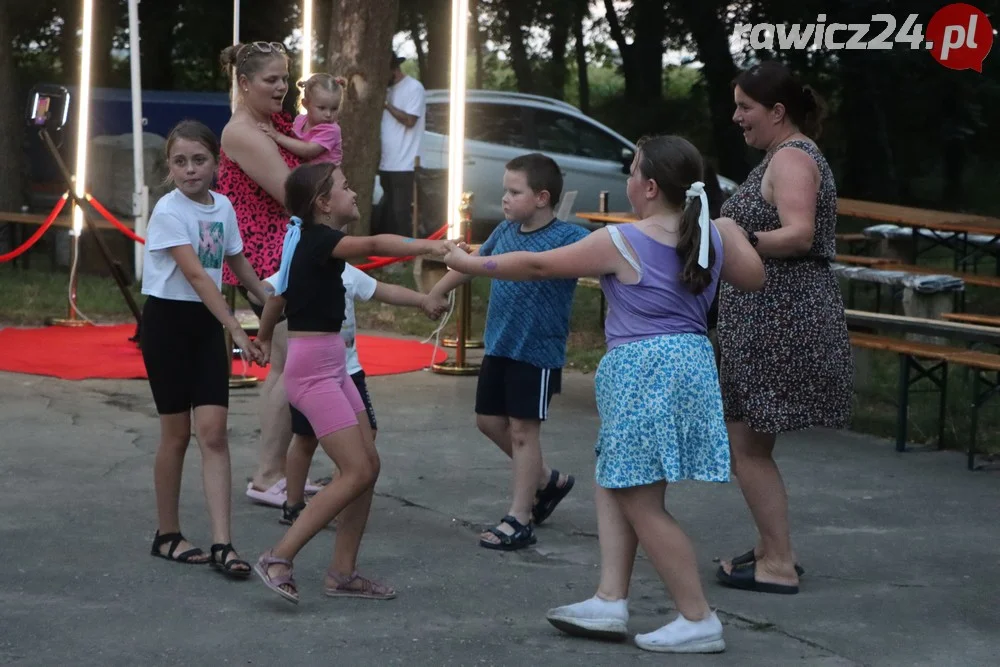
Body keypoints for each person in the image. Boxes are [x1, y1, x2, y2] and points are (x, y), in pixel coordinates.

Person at [440, 135, 766, 653]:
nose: (628, 181)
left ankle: (698, 616)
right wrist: (722, 227)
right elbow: (755, 276)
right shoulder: (708, 237)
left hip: (644, 371)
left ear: (651, 186)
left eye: (633, 172)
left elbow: (539, 264)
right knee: (616, 482)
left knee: (642, 500)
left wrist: (469, 262)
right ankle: (610, 599)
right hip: (687, 364)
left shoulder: (625, 241)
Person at [251, 162, 453, 604]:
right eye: (344, 186)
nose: (354, 192)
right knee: (356, 469)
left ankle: (342, 572)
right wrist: (435, 249)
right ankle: (278, 557)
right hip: (313, 371)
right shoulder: (321, 240)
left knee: (369, 467)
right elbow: (378, 243)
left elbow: (278, 298)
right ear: (324, 203)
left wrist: (264, 337)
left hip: (333, 367)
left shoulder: (311, 244)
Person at [715, 61, 854, 595]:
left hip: (782, 319)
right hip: (769, 316)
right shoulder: (783, 154)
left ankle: (778, 562)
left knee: (746, 445)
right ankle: (771, 549)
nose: (736, 117)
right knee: (752, 443)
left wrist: (732, 239)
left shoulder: (793, 156)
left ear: (777, 111)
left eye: (745, 107)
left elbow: (797, 235)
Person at [427, 153, 586, 551]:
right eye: (505, 191)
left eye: (514, 192)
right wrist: (437, 290)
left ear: (542, 197)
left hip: (537, 351)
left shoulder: (570, 238)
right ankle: (547, 480)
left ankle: (520, 518)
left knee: (522, 431)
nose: (505, 199)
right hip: (500, 343)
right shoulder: (506, 228)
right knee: (487, 420)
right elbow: (474, 264)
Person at [140, 120, 271, 578]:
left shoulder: (224, 207)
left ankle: (223, 544)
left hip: (205, 325)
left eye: (199, 160)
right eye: (180, 162)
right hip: (168, 325)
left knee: (214, 433)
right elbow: (197, 275)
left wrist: (268, 298)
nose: (190, 170)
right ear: (169, 167)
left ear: (216, 163)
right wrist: (236, 326)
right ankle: (168, 534)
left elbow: (235, 261)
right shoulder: (168, 212)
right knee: (175, 435)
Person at [217, 41, 319, 507]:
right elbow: (292, 193)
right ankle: (267, 476)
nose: (282, 87)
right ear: (244, 83)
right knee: (288, 362)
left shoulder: (271, 124)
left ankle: (276, 471)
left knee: (286, 362)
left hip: (286, 252)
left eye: (285, 78)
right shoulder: (242, 131)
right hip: (268, 259)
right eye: (271, 80)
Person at [277, 264, 450, 525]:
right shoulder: (300, 264)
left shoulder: (346, 271)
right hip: (314, 374)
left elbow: (385, 290)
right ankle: (293, 505)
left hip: (349, 370)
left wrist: (423, 300)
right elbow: (268, 291)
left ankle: (341, 497)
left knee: (364, 436)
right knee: (306, 438)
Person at [375, 53, 426, 236]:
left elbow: (410, 120)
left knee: (401, 211)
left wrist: (386, 104)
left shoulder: (414, 88)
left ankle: (405, 255)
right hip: (387, 162)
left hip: (406, 163)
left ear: (393, 70)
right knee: (388, 209)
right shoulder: (387, 89)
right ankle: (390, 255)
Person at [261, 73, 345, 165]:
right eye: (322, 108)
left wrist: (277, 136)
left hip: (324, 176)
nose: (328, 114)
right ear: (305, 104)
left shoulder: (332, 130)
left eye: (334, 109)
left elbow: (308, 151)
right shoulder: (299, 120)